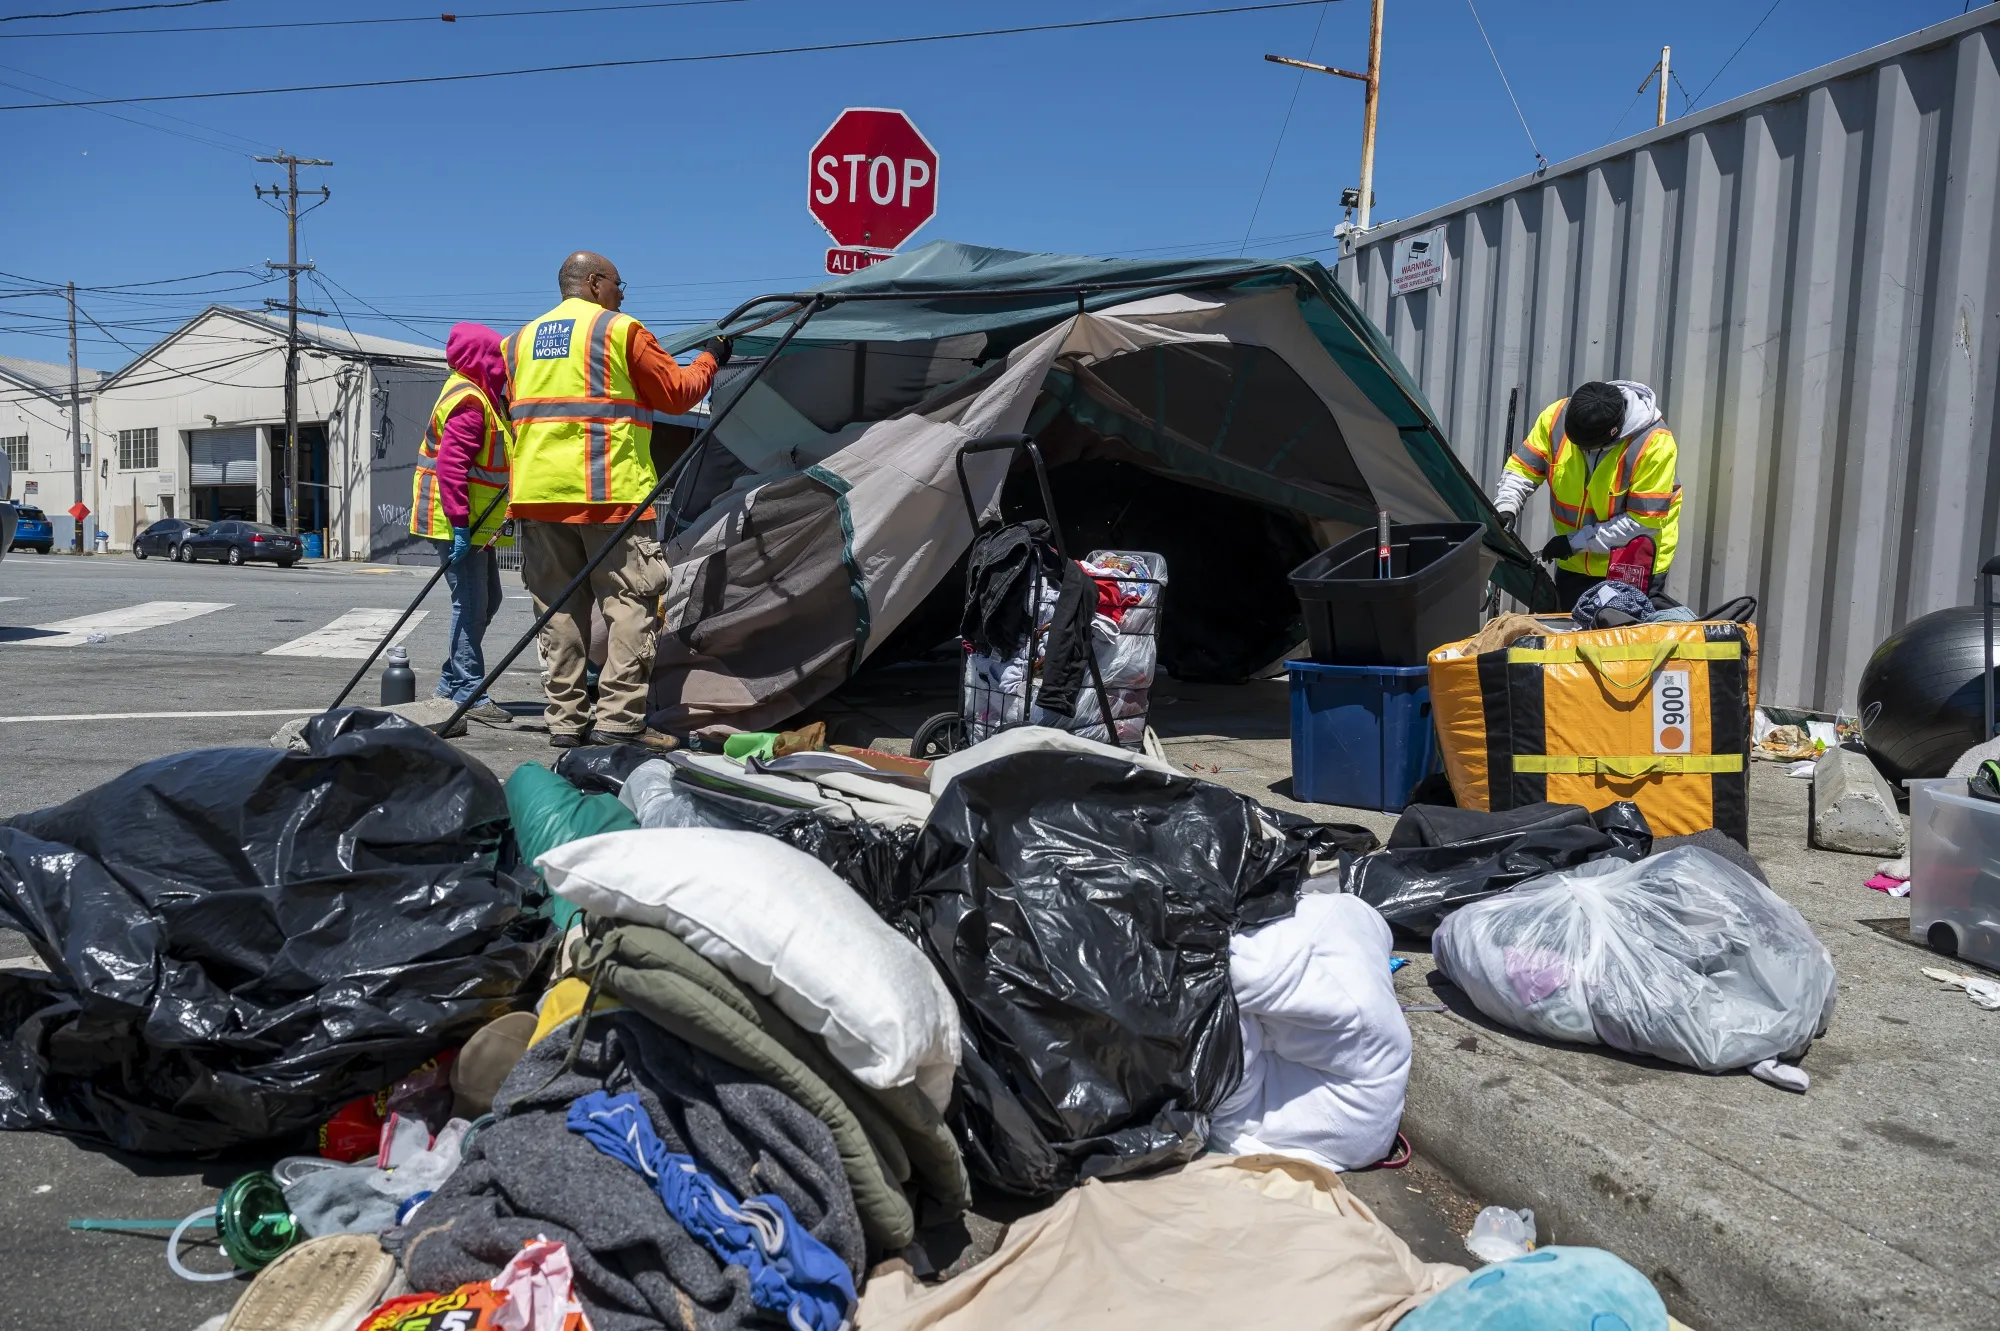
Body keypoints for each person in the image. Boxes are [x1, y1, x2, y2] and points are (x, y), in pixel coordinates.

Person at [504, 251, 731, 750]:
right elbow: (677, 393)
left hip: (537, 496)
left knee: (558, 612)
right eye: (618, 283)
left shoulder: (517, 343)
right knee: (629, 607)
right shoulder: (619, 330)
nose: (623, 293)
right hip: (608, 495)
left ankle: (564, 721)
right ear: (594, 282)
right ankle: (619, 720)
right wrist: (712, 357)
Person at [1493, 379, 1682, 610]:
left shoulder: (1653, 443)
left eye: (1586, 448)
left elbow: (1642, 522)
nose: (1579, 452)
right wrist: (1506, 506)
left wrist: (1575, 542)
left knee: (1619, 638)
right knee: (1573, 635)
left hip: (1629, 562)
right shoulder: (1556, 419)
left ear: (1612, 435)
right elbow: (1522, 469)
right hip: (1574, 563)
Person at [409, 321, 514, 726]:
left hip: (474, 522)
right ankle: (470, 691)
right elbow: (452, 468)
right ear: (481, 359)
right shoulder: (471, 402)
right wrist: (459, 525)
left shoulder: (481, 397)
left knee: (488, 601)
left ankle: (451, 682)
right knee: (469, 604)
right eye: (496, 358)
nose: (502, 367)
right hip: (457, 520)